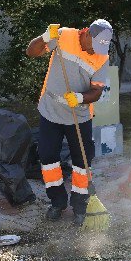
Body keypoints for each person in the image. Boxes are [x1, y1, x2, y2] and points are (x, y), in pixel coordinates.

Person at [26, 19, 113, 226]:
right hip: (51, 111)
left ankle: (80, 205)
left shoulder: (102, 57)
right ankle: (57, 202)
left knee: (82, 162)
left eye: (102, 46)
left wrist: (81, 98)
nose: (97, 50)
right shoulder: (63, 36)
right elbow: (31, 52)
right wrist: (46, 37)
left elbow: (97, 91)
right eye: (95, 44)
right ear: (86, 34)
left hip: (79, 115)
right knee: (47, 158)